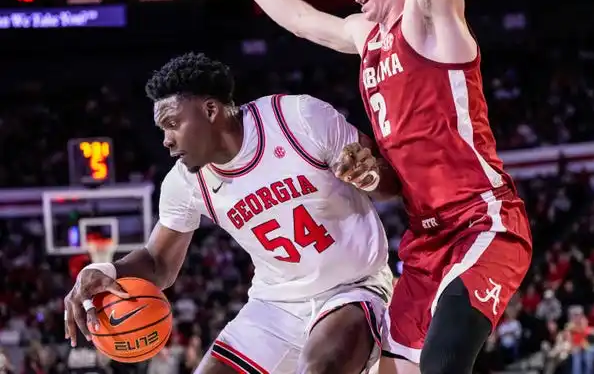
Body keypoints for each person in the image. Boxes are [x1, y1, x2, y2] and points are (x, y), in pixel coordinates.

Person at [200, 0, 532, 372]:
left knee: (443, 361)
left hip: (482, 222)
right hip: (425, 239)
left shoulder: (431, 19)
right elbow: (303, 20)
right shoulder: (365, 35)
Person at [63, 53, 399, 374]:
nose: (166, 140)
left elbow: (391, 183)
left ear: (210, 110)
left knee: (320, 369)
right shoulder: (185, 182)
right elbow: (159, 265)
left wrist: (369, 176)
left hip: (355, 285)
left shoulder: (298, 118)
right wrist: (106, 269)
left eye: (172, 124)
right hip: (276, 304)